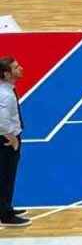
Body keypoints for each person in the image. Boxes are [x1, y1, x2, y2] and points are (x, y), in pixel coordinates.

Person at [0, 58, 27, 228]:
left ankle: (6, 208)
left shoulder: (7, 90)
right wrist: (12, 139)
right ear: (7, 74)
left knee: (6, 177)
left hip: (7, 138)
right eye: (16, 67)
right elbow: (1, 123)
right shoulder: (6, 95)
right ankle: (5, 215)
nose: (21, 68)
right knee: (5, 178)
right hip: (6, 141)